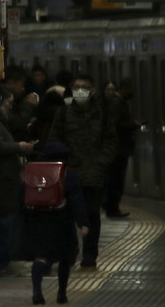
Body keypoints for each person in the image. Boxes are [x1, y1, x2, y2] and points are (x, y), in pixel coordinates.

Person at [47, 73, 117, 268]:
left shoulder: (102, 115)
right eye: (76, 86)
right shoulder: (63, 114)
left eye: (83, 87)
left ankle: (89, 255)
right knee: (67, 215)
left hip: (94, 175)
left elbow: (111, 141)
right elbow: (53, 140)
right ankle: (69, 252)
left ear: (92, 90)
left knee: (92, 215)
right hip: (70, 174)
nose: (79, 90)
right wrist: (63, 161)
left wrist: (101, 162)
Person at [20, 142, 88, 304]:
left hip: (38, 220)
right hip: (62, 220)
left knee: (41, 257)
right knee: (64, 258)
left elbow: (22, 196)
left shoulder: (33, 172)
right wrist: (83, 223)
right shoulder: (67, 174)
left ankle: (37, 291)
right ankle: (61, 294)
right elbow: (76, 200)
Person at [0, 81, 34, 276]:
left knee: (6, 224)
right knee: (3, 225)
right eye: (7, 102)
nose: (9, 106)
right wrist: (19, 147)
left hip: (6, 182)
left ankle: (2, 260)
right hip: (1, 183)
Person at [103, 78, 142, 218]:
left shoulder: (118, 102)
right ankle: (112, 209)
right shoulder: (117, 103)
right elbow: (115, 125)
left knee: (116, 180)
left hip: (119, 149)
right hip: (118, 150)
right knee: (116, 180)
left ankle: (112, 207)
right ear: (124, 89)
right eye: (130, 89)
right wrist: (132, 125)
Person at [2, 64, 39, 142]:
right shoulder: (4, 102)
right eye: (19, 84)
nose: (22, 88)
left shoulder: (19, 99)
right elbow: (18, 124)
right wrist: (28, 104)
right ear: (10, 84)